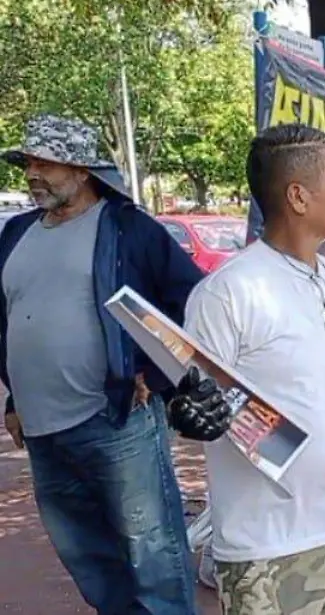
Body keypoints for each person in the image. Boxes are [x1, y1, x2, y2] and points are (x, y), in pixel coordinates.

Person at [0, 113, 231, 614]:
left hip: (116, 417)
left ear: (83, 171)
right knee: (85, 554)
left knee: (153, 551)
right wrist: (14, 399)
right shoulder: (15, 233)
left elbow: (192, 300)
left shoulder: (128, 228)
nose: (33, 173)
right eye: (29, 163)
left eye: (47, 163)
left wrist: (153, 370)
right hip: (41, 428)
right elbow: (10, 320)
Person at [184, 124, 325, 614]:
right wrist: (190, 411)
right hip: (267, 547)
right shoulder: (229, 292)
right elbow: (200, 403)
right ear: (299, 196)